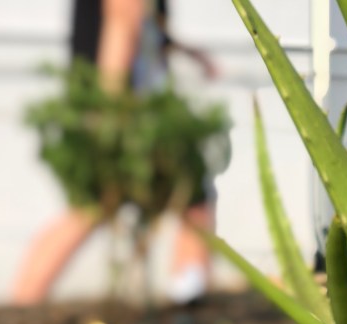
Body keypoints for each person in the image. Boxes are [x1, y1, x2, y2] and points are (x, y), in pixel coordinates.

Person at [13, 0, 219, 305]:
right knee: (190, 197)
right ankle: (189, 302)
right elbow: (123, 20)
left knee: (92, 207)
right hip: (129, 109)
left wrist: (187, 52)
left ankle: (23, 302)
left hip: (109, 102)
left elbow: (141, 27)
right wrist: (112, 112)